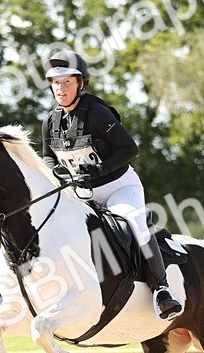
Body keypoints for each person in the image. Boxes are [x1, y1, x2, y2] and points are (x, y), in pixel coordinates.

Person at [40, 49, 184, 321]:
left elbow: (130, 148)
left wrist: (99, 169)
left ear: (81, 83)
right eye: (56, 82)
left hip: (118, 187)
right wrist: (57, 171)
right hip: (82, 194)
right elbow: (48, 157)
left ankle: (162, 290)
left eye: (67, 82)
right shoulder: (51, 121)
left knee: (134, 223)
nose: (61, 88)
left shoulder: (97, 113)